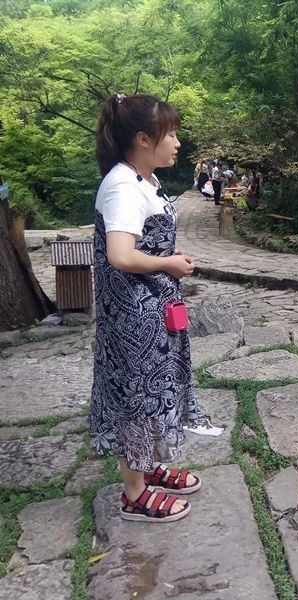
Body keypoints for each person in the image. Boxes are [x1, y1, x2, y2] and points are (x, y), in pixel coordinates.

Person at [91, 93, 202, 523]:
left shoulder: (144, 181)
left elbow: (142, 242)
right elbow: (120, 254)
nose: (176, 142)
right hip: (133, 318)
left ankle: (146, 466)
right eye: (169, 134)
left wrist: (167, 258)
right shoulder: (121, 185)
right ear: (142, 139)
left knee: (154, 389)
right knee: (137, 397)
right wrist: (169, 263)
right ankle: (134, 494)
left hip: (151, 309)